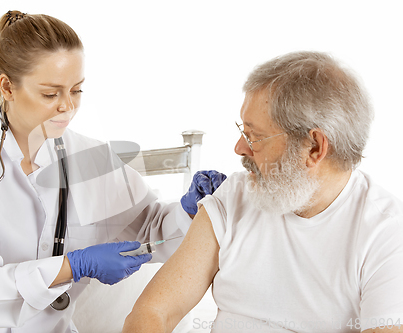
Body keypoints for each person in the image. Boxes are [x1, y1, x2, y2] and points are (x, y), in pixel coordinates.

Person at [0, 10, 226, 333]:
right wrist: (74, 266)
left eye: (76, 90)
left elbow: (151, 228)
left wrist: (187, 210)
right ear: (7, 87)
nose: (67, 106)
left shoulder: (91, 158)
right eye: (50, 93)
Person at [122, 51, 403, 333]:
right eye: (242, 131)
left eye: (254, 137)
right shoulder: (235, 196)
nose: (240, 148)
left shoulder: (386, 232)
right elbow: (154, 312)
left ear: (315, 148)